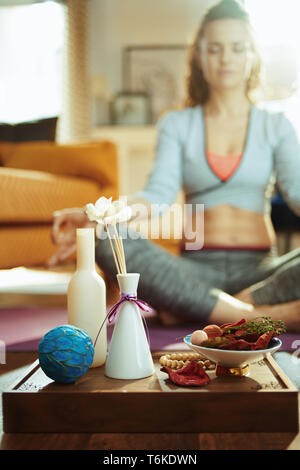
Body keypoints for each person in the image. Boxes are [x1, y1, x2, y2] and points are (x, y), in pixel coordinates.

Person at [47, 0, 300, 332]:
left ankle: (203, 306)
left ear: (252, 55)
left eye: (237, 48)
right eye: (215, 48)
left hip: (261, 270)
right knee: (106, 237)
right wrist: (103, 214)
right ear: (198, 56)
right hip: (193, 269)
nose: (226, 58)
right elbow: (158, 194)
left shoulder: (275, 124)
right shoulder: (177, 124)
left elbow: (295, 190)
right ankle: (264, 316)